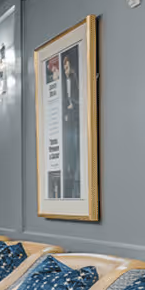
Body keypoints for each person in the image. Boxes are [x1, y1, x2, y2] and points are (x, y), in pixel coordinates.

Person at [61, 50, 81, 199]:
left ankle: (76, 183)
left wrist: (72, 105)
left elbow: (80, 99)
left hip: (75, 122)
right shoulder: (63, 83)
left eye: (67, 67)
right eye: (64, 68)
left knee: (74, 151)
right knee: (68, 152)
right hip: (66, 122)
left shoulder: (75, 80)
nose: (65, 70)